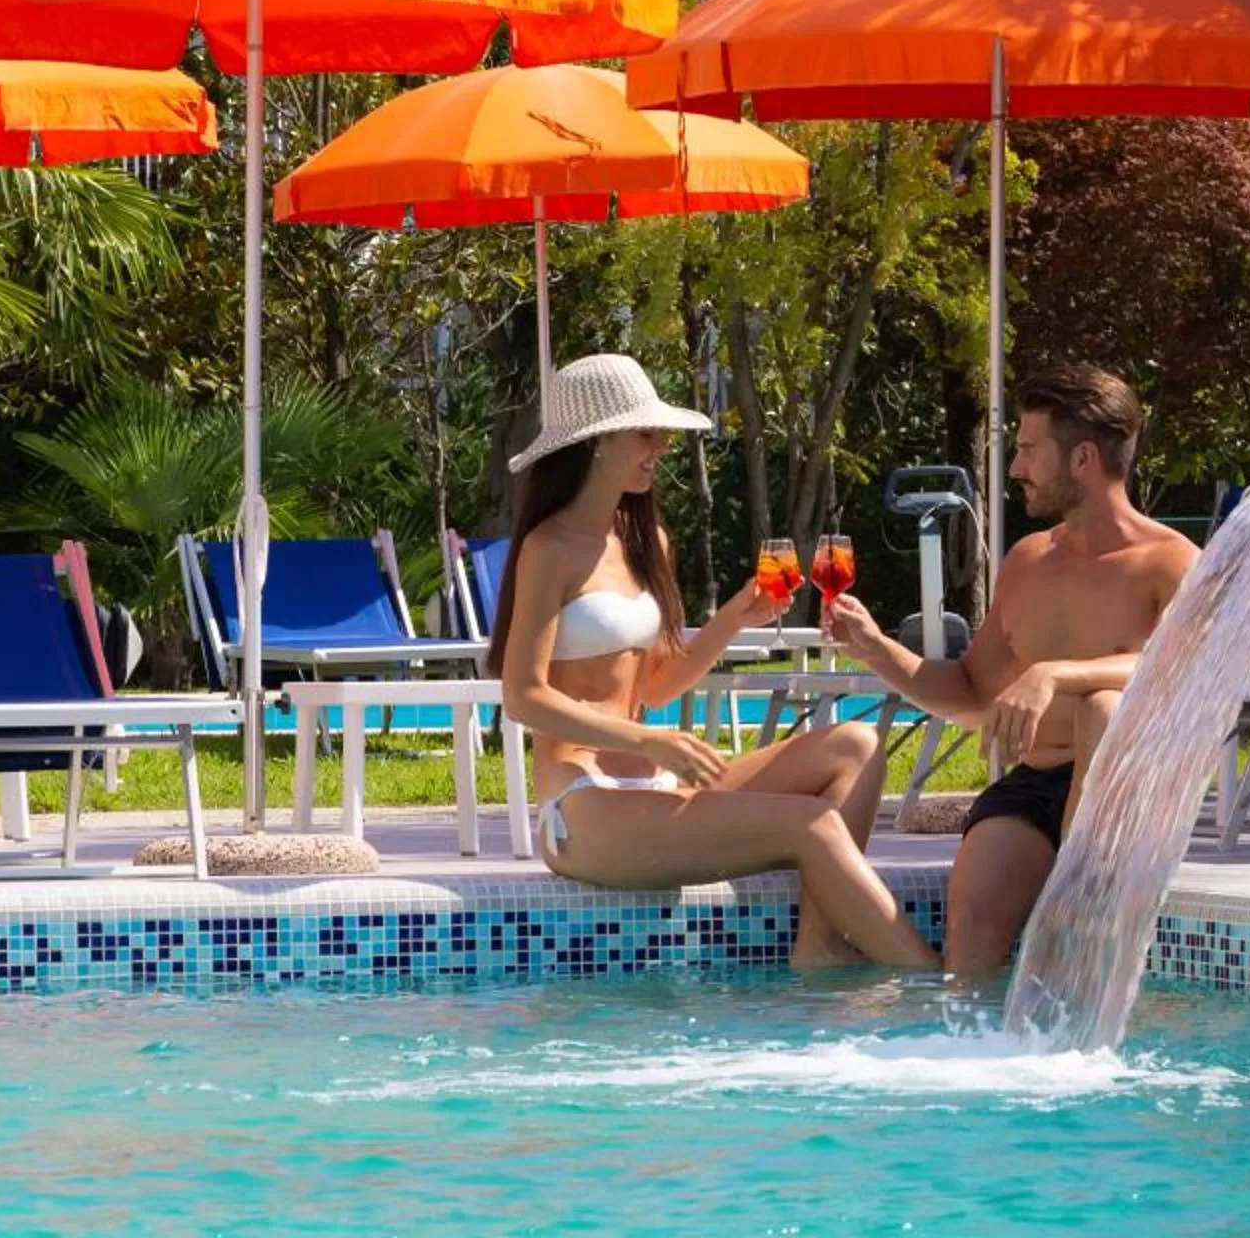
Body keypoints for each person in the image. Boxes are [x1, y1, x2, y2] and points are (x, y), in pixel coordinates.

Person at [494, 354, 937, 971]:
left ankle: (821, 944)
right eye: (645, 432)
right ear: (597, 443)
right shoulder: (549, 551)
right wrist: (646, 741)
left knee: (857, 746)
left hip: (659, 787)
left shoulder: (647, 539)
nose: (662, 446)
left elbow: (655, 681)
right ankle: (940, 988)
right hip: (586, 805)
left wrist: (732, 618)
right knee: (812, 827)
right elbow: (523, 696)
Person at [822, 364, 1196, 977]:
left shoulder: (1171, 563)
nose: (1016, 468)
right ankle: (981, 1064)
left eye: (1027, 450)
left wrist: (1054, 673)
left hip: (1127, 796)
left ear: (1081, 459)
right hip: (1034, 786)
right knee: (971, 928)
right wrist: (877, 649)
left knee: (1103, 706)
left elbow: (1180, 672)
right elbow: (972, 694)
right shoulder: (1028, 562)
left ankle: (1080, 940)